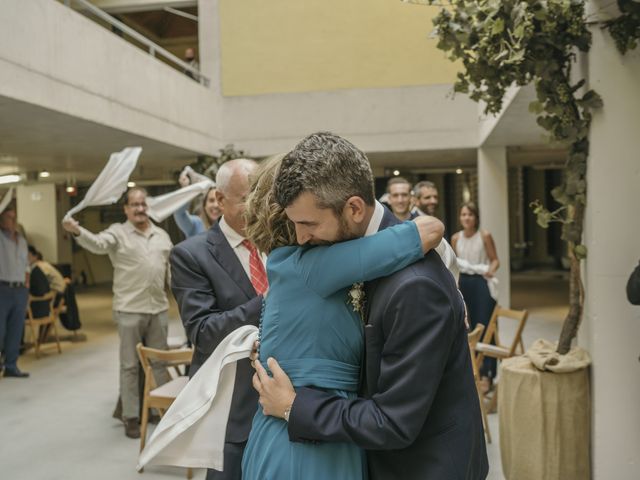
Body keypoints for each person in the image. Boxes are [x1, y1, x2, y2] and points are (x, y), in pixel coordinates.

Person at [252, 132, 488, 480]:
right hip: (348, 448)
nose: (301, 237)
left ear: (354, 208)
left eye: (309, 224)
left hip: (417, 467)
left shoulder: (415, 286)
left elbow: (394, 420)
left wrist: (293, 406)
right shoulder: (339, 257)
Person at [169, 158, 264, 480]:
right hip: (231, 404)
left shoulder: (279, 243)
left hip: (285, 398)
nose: (257, 209)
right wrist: (268, 301)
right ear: (220, 200)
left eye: (261, 199)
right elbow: (204, 332)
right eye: (246, 200)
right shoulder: (192, 255)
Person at [62, 187, 173, 439]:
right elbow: (98, 244)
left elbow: (170, 273)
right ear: (126, 209)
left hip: (158, 309)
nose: (139, 208)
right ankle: (131, 416)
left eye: (143, 203)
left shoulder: (162, 235)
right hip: (129, 310)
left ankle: (160, 410)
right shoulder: (117, 233)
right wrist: (77, 230)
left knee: (159, 363)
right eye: (134, 204)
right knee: (130, 366)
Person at [452, 202, 499, 388]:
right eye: (463, 215)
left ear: (476, 217)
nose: (466, 218)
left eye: (470, 215)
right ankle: (473, 371)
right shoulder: (456, 238)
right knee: (467, 325)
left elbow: (495, 260)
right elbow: (453, 263)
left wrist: (490, 271)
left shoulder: (484, 235)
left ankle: (488, 373)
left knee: (485, 325)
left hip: (480, 283)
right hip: (463, 283)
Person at [0, 203, 30, 378]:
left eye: (13, 217)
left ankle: (11, 366)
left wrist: (26, 285)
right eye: (7, 217)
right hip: (3, 288)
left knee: (16, 330)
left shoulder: (22, 241)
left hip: (19, 291)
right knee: (1, 330)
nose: (11, 221)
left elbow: (26, 265)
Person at [173, 172, 221, 237]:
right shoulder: (196, 224)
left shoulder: (231, 226)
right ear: (204, 205)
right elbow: (179, 213)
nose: (216, 205)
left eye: (219, 201)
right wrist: (186, 189)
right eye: (211, 200)